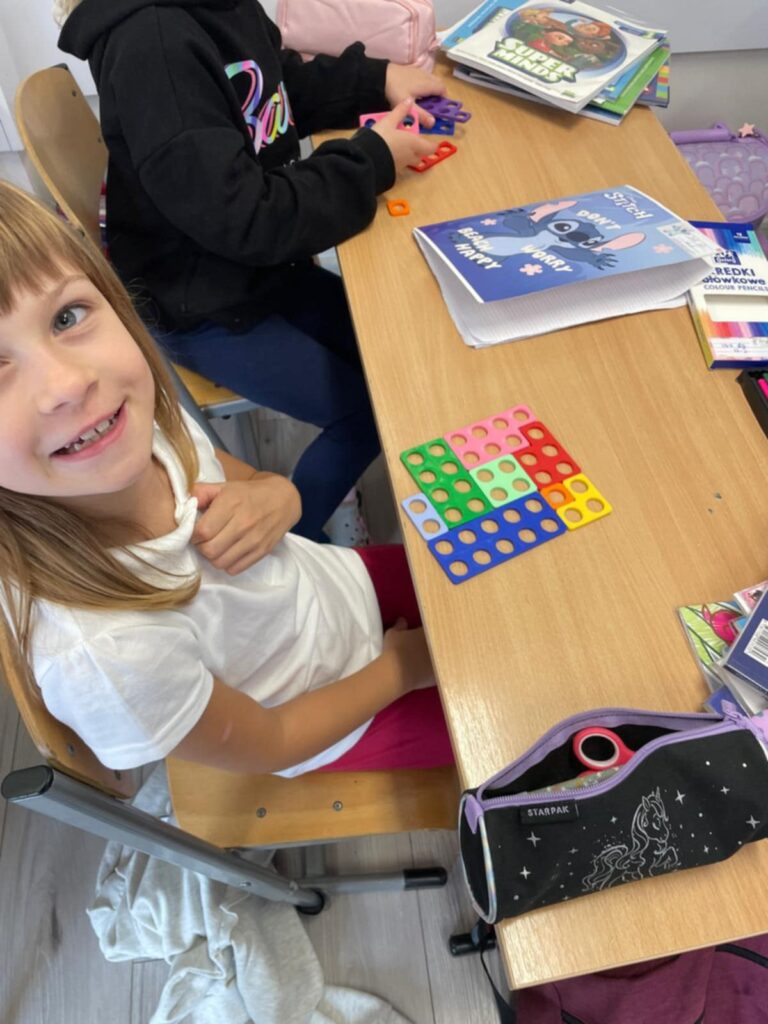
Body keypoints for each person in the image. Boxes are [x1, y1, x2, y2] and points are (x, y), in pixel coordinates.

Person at [0, 181, 454, 777]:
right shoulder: (102, 653)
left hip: (337, 590)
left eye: (67, 316)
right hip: (340, 715)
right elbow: (272, 741)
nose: (69, 384)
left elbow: (253, 482)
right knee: (538, 717)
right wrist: (401, 668)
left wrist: (280, 496)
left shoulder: (130, 427)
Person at [54, 0, 446, 542]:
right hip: (203, 306)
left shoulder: (221, 8)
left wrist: (376, 80)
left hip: (259, 269)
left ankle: (324, 496)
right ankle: (296, 548)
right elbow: (248, 219)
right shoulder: (154, 44)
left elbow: (279, 89)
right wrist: (372, 160)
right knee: (364, 412)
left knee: (397, 349)